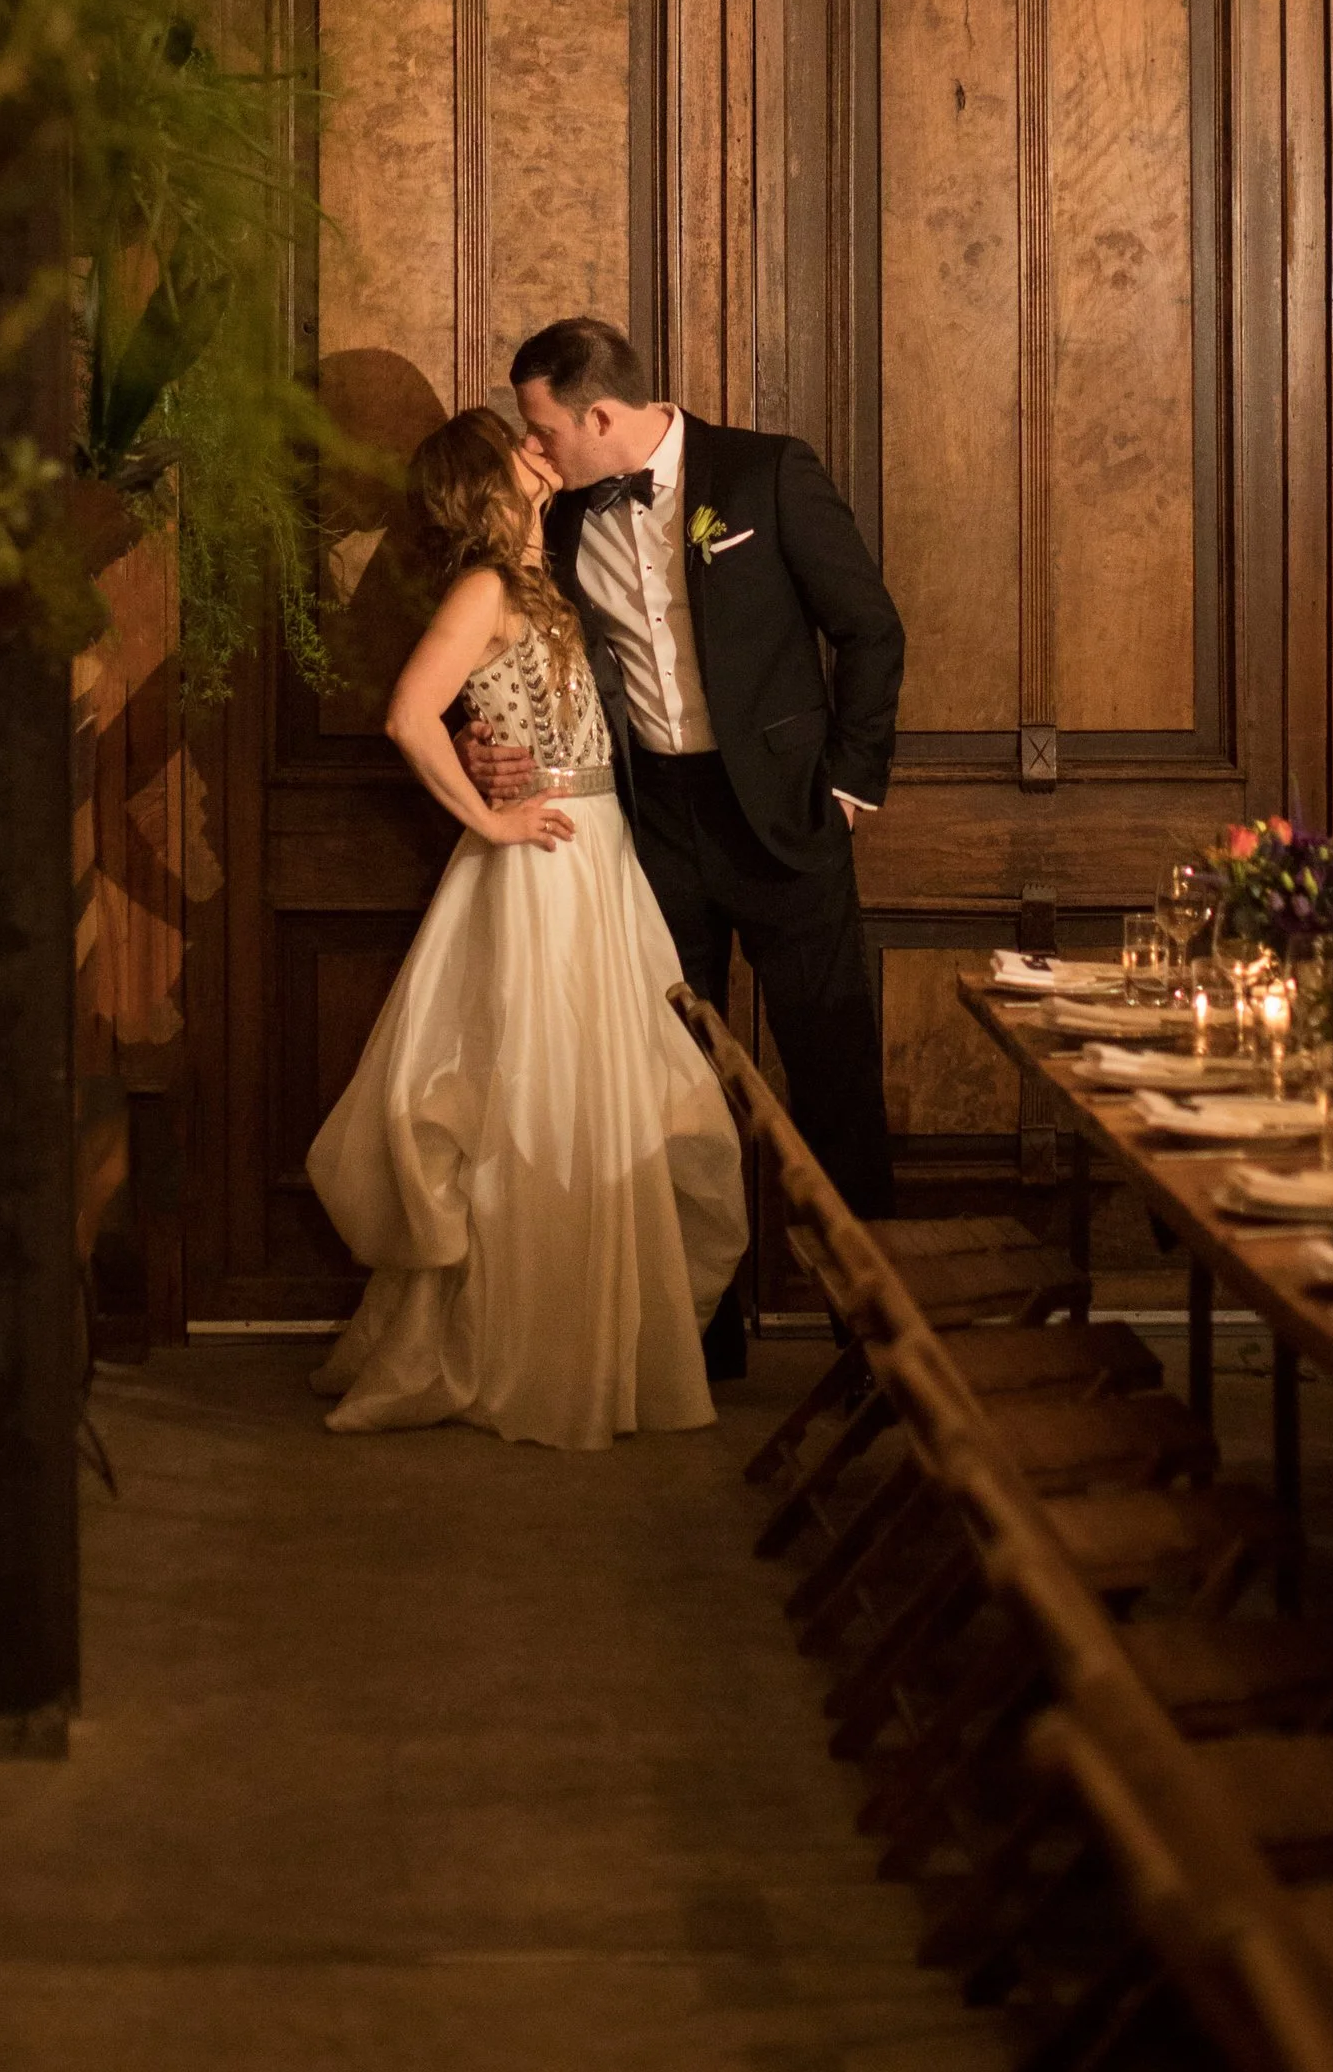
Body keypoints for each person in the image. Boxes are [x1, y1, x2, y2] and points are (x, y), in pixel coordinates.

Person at [458, 318, 904, 1379]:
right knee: (670, 1086)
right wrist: (480, 740)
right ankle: (693, 1336)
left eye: (543, 428)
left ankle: (879, 1353)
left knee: (832, 1085)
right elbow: (513, 645)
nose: (535, 450)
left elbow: (871, 629)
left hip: (791, 824)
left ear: (598, 416)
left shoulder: (766, 473)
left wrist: (845, 789)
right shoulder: (556, 519)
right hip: (652, 829)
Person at [305, 406, 750, 1449]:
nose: (539, 451)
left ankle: (592, 1342)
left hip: (596, 858)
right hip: (543, 861)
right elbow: (410, 711)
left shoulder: (534, 577)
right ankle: (529, 1350)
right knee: (533, 1102)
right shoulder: (486, 588)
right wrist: (487, 813)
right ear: (489, 478)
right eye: (522, 444)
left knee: (610, 1095)